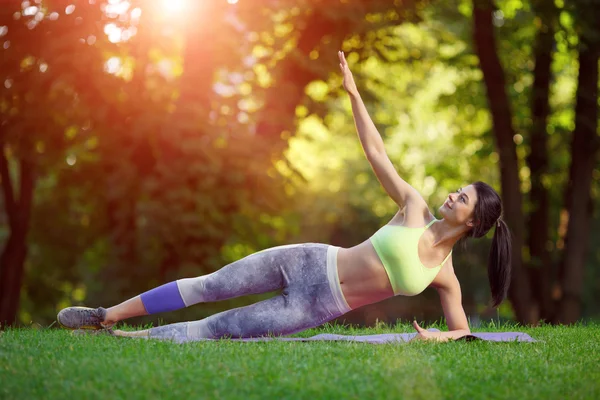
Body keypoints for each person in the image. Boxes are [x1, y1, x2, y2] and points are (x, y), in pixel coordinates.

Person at [57, 51, 512, 342]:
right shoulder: (412, 206)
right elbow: (376, 152)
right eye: (458, 190)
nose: (452, 195)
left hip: (313, 306)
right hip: (308, 259)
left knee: (216, 329)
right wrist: (354, 95)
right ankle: (106, 315)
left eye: (463, 198)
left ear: (473, 223)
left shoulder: (446, 276)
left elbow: (462, 331)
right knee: (208, 285)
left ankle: (125, 342)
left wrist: (441, 338)